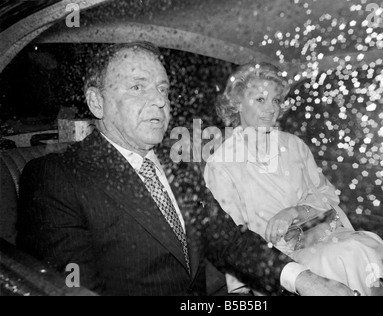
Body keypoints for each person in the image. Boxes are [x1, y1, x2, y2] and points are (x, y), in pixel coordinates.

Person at [15, 42, 353, 296]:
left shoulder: (182, 169)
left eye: (163, 89)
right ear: (97, 102)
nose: (160, 100)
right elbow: (72, 290)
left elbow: (230, 241)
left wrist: (306, 280)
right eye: (137, 87)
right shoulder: (56, 176)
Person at [204, 62, 383, 296]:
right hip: (275, 264)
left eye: (275, 100)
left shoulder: (294, 145)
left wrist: (295, 213)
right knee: (347, 254)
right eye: (260, 100)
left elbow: (326, 195)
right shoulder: (221, 164)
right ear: (237, 102)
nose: (271, 110)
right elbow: (229, 239)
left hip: (322, 236)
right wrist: (241, 292)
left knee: (367, 244)